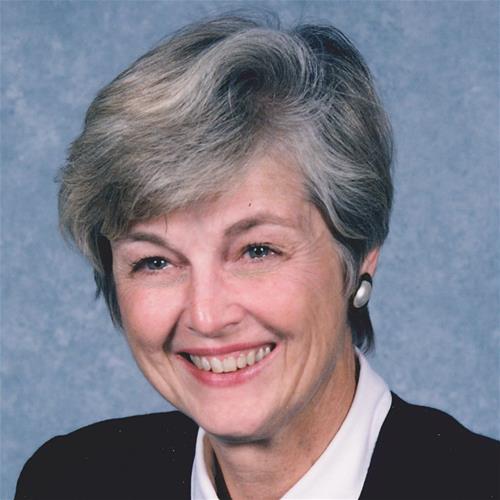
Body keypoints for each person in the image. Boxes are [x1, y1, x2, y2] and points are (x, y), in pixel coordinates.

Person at [15, 13, 498, 500]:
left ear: (360, 254)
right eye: (155, 262)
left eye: (257, 250)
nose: (207, 316)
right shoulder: (68, 482)